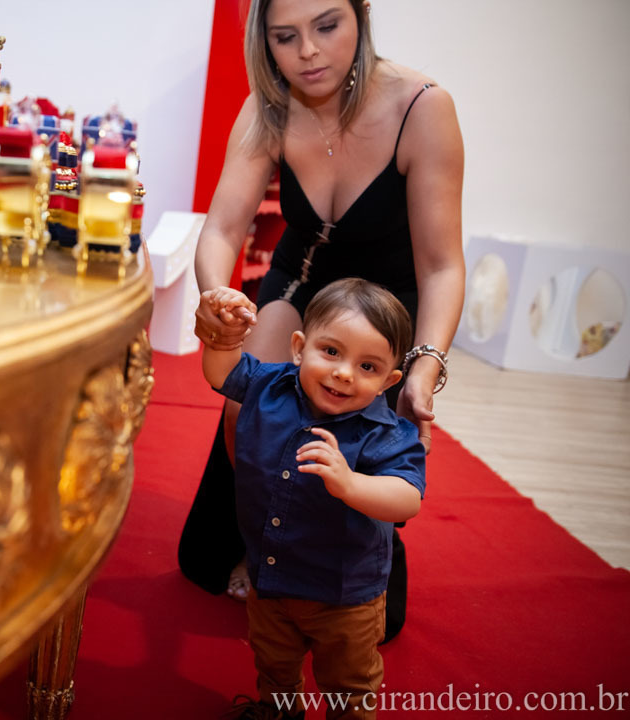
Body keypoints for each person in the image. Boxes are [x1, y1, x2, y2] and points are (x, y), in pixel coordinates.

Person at [177, 0, 464, 643]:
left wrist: (424, 366)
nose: (307, 51)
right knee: (248, 397)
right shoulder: (268, 107)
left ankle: (340, 570)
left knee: (359, 446)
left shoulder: (423, 107)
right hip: (299, 289)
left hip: (384, 312)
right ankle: (260, 537)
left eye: (326, 26)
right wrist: (217, 299)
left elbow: (443, 266)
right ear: (266, 42)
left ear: (361, 17)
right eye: (285, 36)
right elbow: (223, 226)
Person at [203, 278, 425, 720]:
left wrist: (351, 484)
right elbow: (222, 373)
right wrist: (223, 336)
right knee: (273, 662)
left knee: (349, 683)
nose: (344, 372)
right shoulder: (269, 386)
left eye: (368, 367)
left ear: (389, 380)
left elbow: (407, 498)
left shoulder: (386, 434)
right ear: (299, 347)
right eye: (331, 352)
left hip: (344, 595)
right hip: (270, 579)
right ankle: (278, 708)